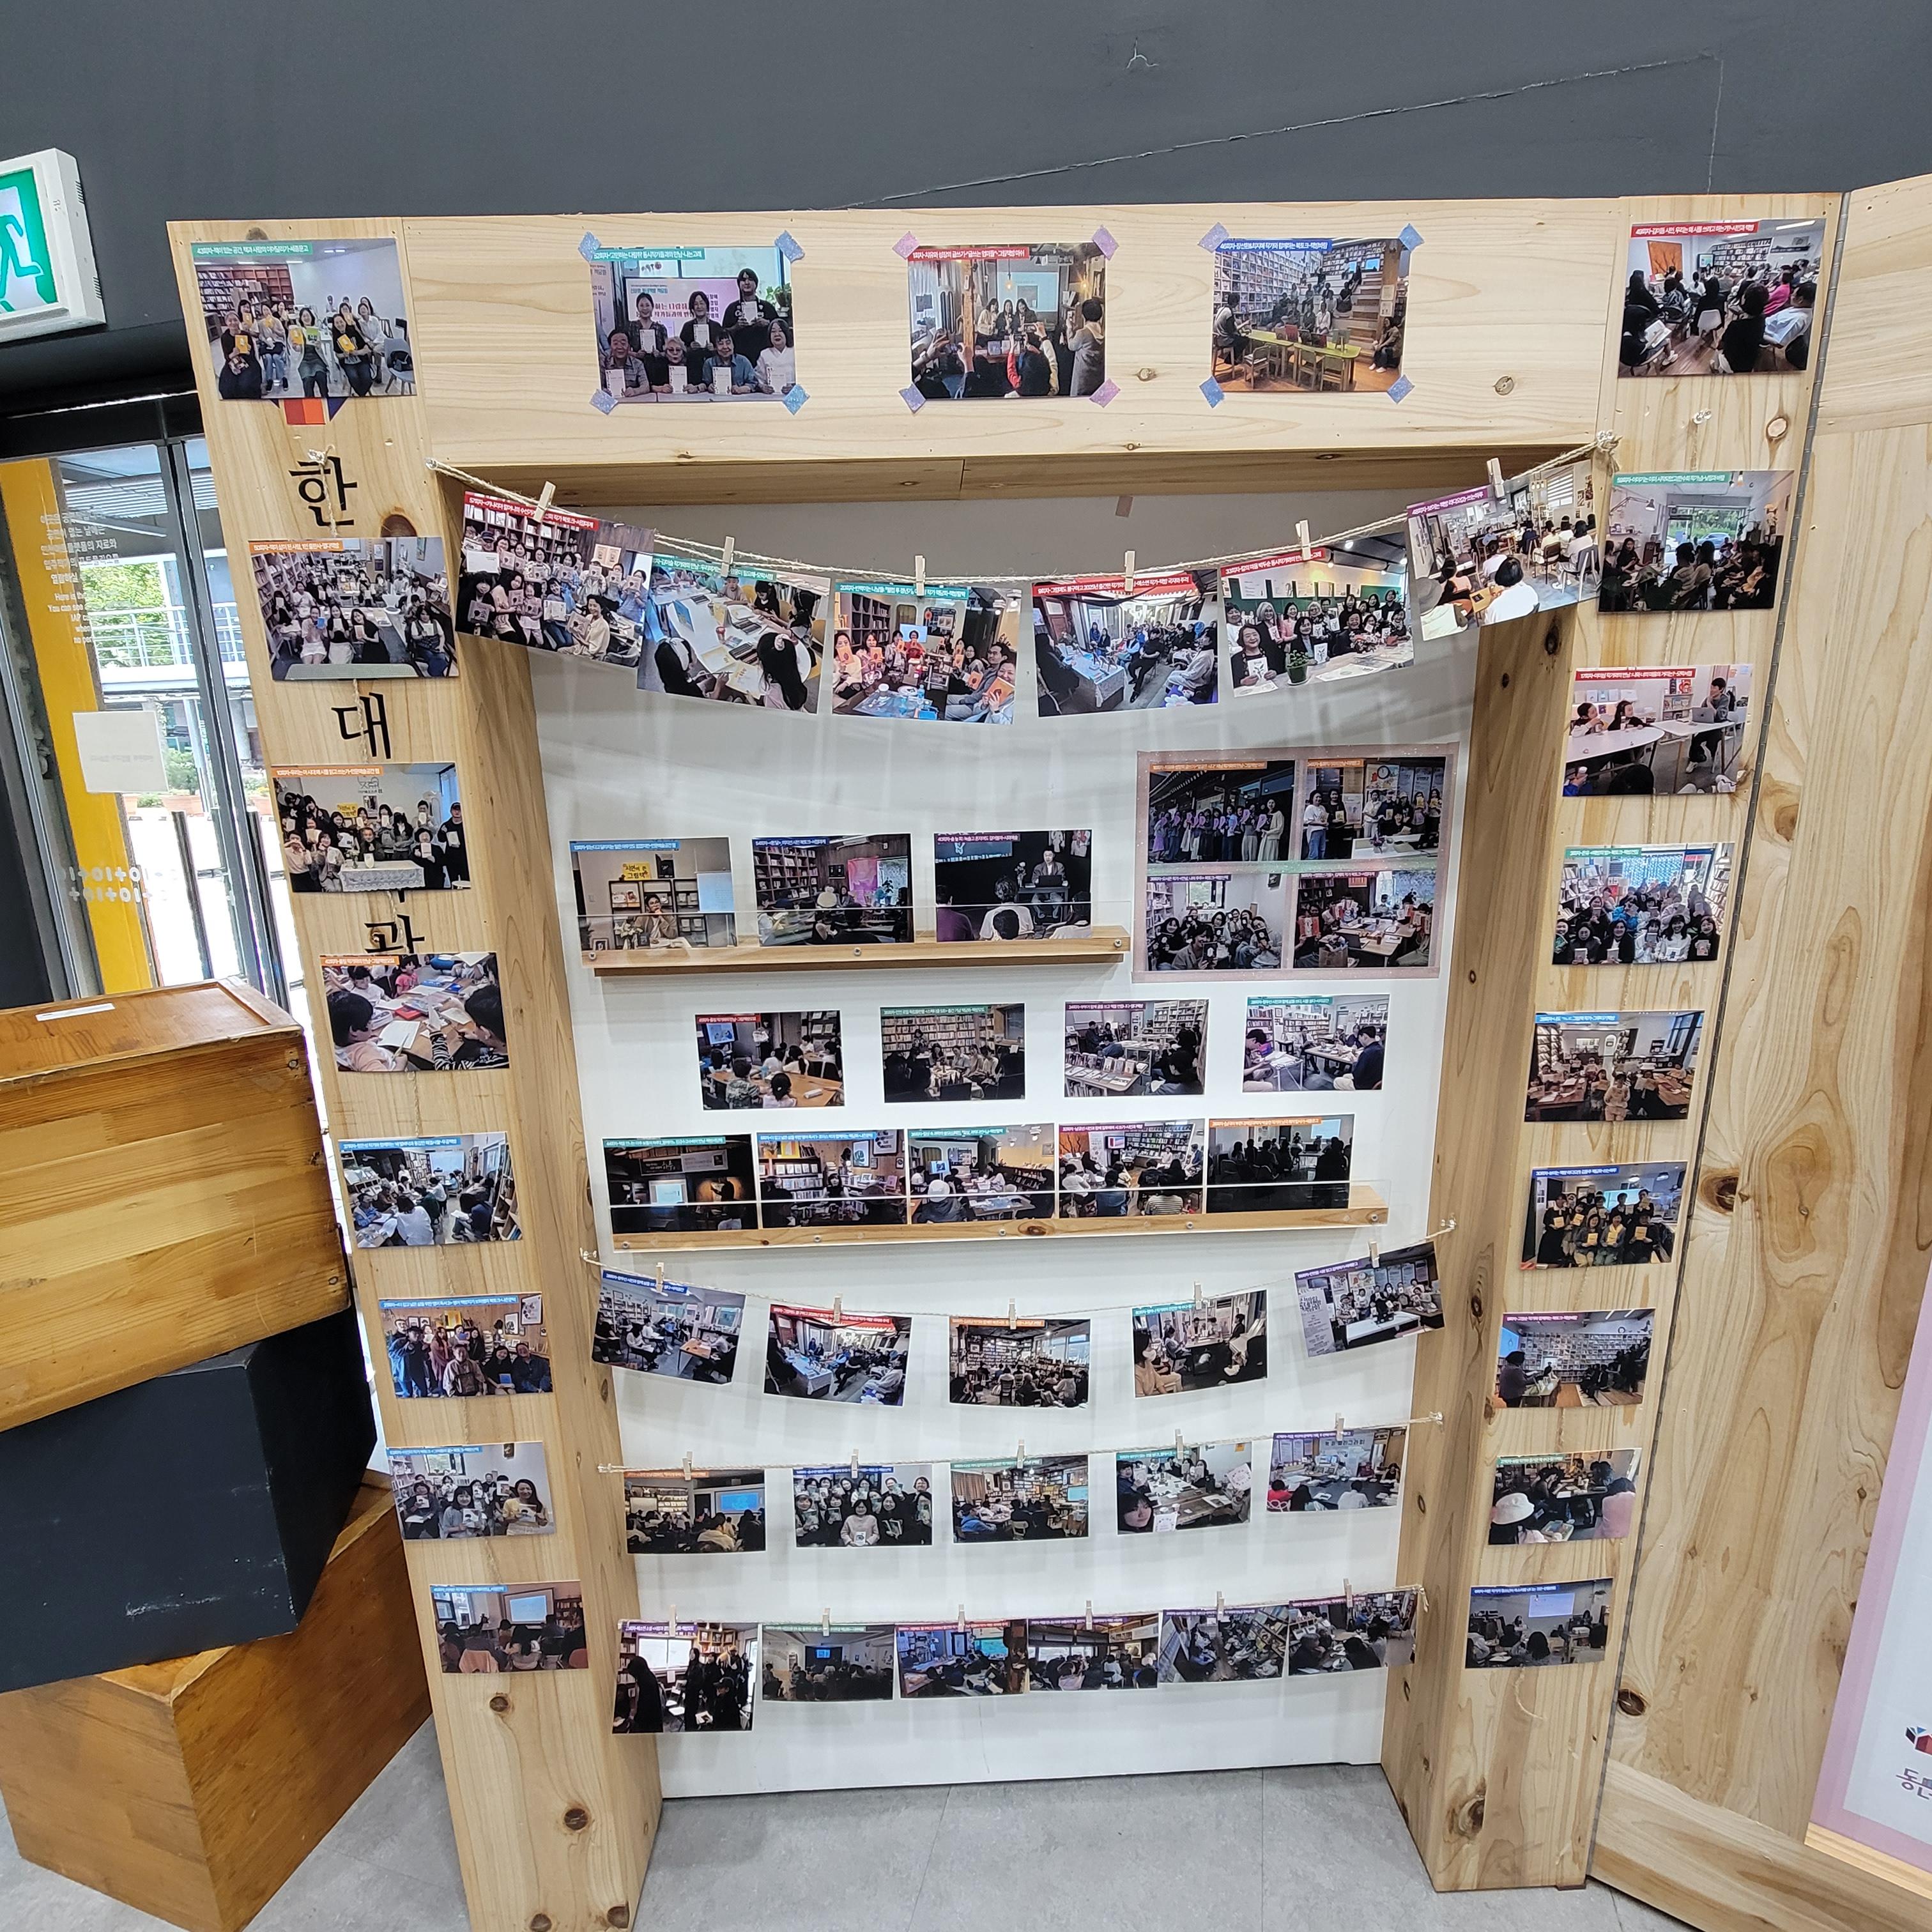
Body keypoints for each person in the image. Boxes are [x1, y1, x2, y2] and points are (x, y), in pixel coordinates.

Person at [1720, 282, 1768, 374]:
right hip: (1749, 363)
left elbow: (1722, 345)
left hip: (1734, 365)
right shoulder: (1762, 319)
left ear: (1745, 300)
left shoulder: (1736, 326)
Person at [1069, 297, 1105, 396]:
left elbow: (1072, 346)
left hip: (1083, 379)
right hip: (1099, 379)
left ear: (1084, 315)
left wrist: (1069, 328)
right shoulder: (1104, 332)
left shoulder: (1083, 333)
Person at [756, 319, 795, 396]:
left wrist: (794, 387)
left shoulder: (794, 351)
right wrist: (763, 387)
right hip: (771, 395)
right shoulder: (764, 354)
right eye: (773, 332)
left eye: (780, 331)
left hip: (793, 394)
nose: (777, 334)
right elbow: (758, 379)